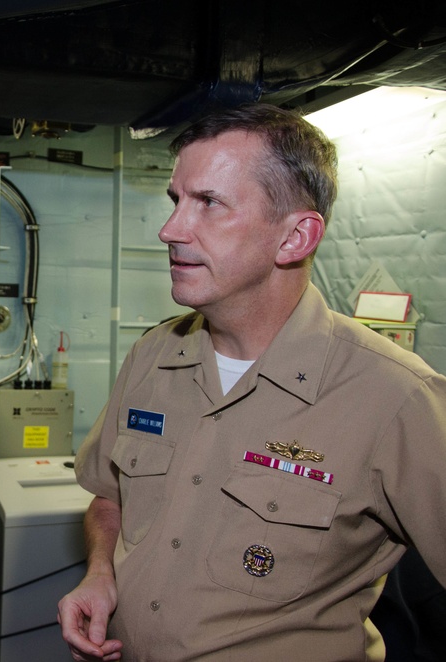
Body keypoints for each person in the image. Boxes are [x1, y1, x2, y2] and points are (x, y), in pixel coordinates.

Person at [57, 103, 446, 661]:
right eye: (176, 201)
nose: (169, 230)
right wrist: (99, 572)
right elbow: (109, 494)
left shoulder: (398, 397)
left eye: (209, 203)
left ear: (294, 238)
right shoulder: (152, 356)